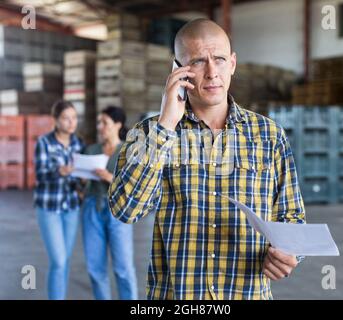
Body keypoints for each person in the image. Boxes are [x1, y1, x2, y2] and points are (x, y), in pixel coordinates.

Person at [108, 19, 306, 300]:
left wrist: (289, 252)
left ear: (233, 64)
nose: (213, 72)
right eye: (199, 61)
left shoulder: (268, 135)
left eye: (220, 59)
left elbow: (292, 215)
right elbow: (125, 210)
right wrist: (165, 125)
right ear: (178, 70)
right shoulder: (148, 133)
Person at [81, 106, 138, 300]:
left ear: (117, 124)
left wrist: (109, 177)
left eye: (104, 122)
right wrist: (81, 178)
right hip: (92, 207)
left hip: (118, 210)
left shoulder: (128, 150)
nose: (100, 127)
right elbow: (83, 185)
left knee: (123, 268)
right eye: (99, 123)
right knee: (95, 268)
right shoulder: (91, 150)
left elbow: (135, 184)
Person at [34, 100, 84, 300]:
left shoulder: (79, 144)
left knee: (65, 260)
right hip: (49, 208)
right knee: (59, 260)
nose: (71, 122)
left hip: (71, 207)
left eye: (74, 118)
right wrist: (60, 171)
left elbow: (81, 176)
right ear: (55, 120)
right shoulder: (44, 143)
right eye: (66, 118)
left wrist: (82, 183)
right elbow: (40, 174)